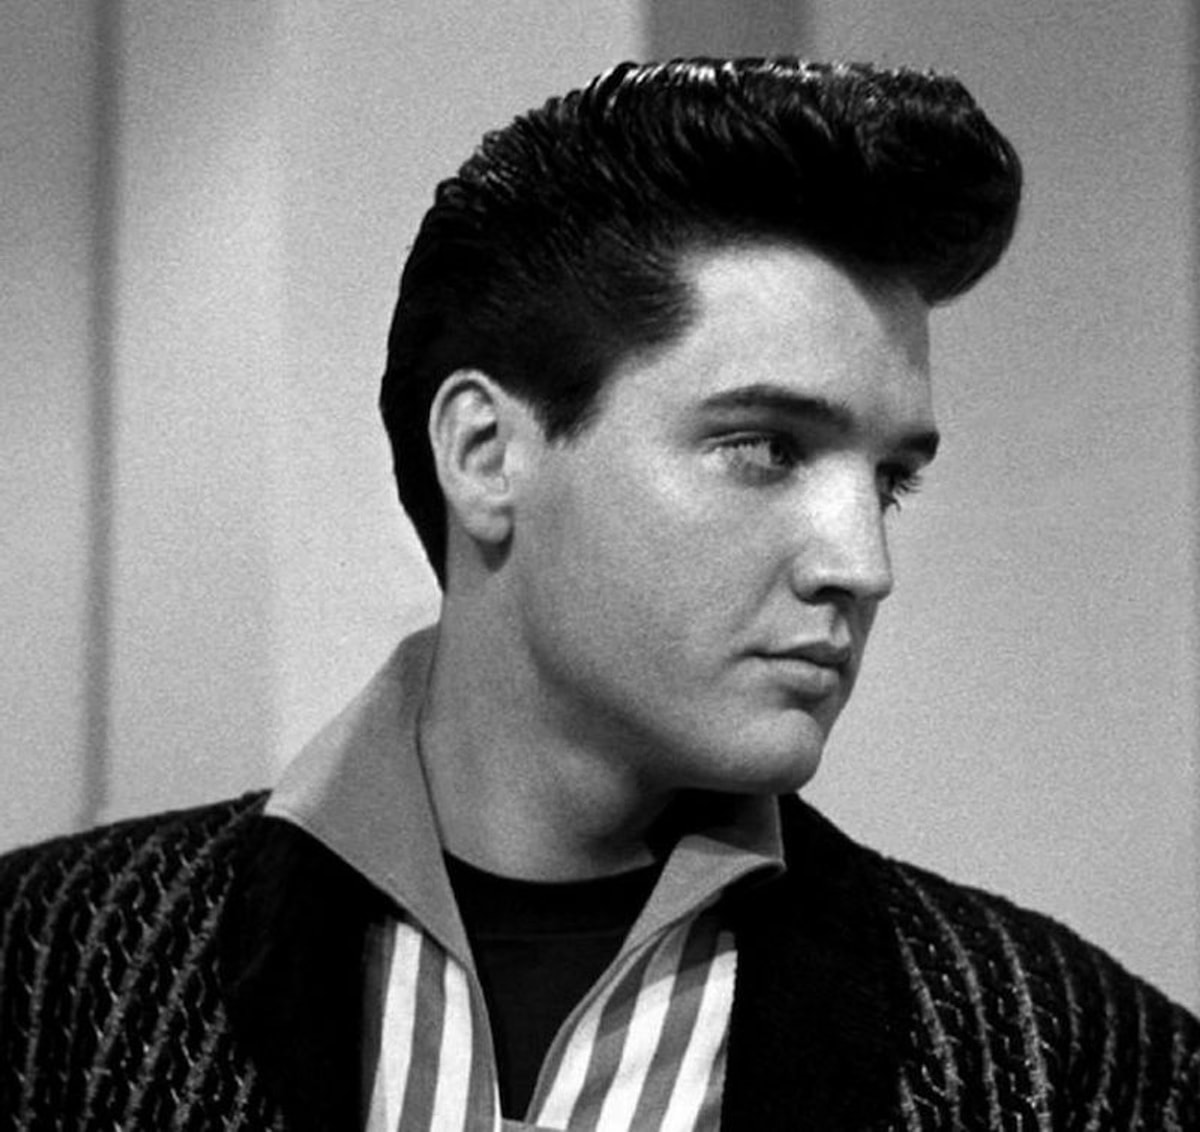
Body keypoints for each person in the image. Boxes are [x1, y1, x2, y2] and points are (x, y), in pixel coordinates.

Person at [0, 57, 1195, 1131]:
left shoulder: (1073, 1060)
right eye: (765, 448)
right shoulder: (51, 973)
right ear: (486, 454)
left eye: (890, 481)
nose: (862, 563)